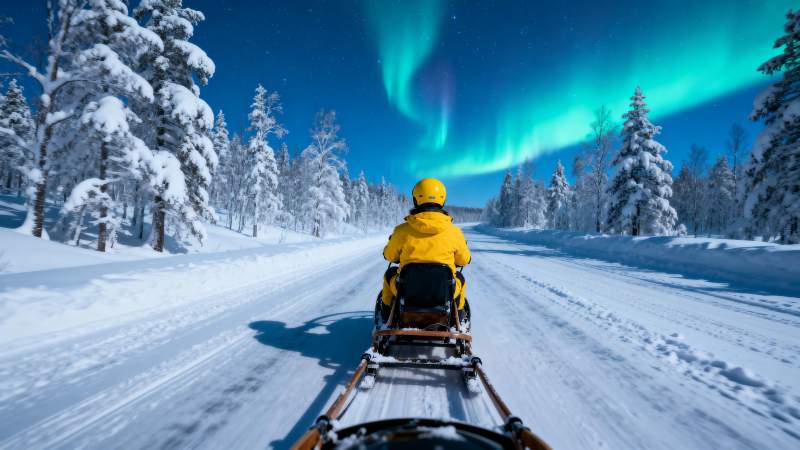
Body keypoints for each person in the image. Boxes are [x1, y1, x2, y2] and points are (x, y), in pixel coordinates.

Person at [380, 178, 471, 321]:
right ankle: (458, 315)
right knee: (460, 278)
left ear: (416, 199)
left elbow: (390, 256)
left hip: (406, 291)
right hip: (444, 292)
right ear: (442, 199)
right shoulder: (455, 232)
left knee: (390, 274)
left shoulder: (401, 230)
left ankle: (386, 313)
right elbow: (464, 260)